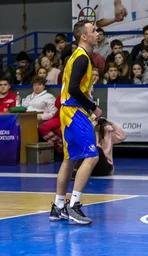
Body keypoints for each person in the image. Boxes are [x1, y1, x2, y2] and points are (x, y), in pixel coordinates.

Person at [50, 20, 102, 225]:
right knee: (91, 156)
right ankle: (74, 205)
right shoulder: (81, 58)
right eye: (94, 31)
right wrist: (93, 107)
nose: (97, 33)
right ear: (84, 36)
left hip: (67, 111)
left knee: (69, 159)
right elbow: (73, 89)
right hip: (75, 111)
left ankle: (58, 206)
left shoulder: (77, 57)